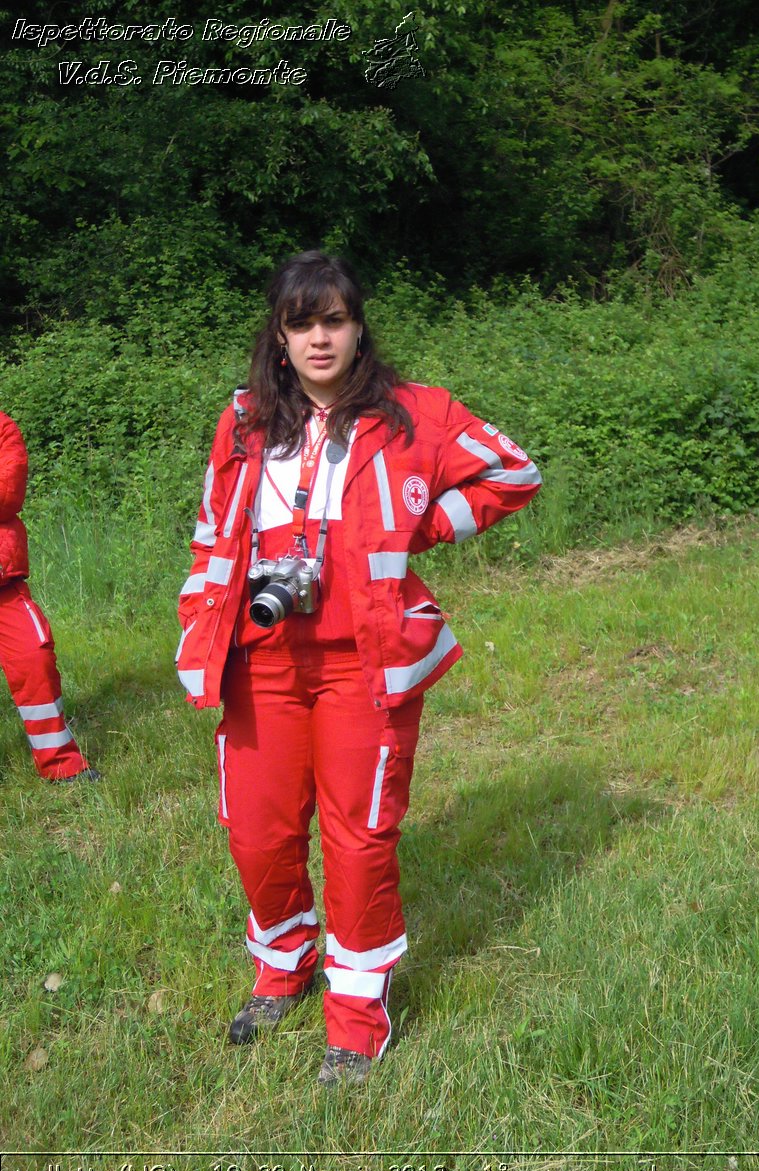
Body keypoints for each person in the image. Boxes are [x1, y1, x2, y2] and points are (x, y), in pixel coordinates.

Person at [176, 250, 541, 1085]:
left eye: (333, 319)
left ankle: (357, 1017)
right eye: (300, 322)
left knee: (358, 839)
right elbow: (209, 533)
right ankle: (282, 967)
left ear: (358, 326)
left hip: (364, 662)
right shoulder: (242, 424)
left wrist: (428, 526)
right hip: (261, 657)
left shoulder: (417, 413)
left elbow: (514, 473)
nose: (318, 338)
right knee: (259, 833)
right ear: (278, 336)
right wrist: (200, 621)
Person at [0, 411, 98, 783]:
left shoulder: (3, 428)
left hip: (4, 587)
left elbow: (8, 493)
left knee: (34, 658)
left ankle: (62, 766)